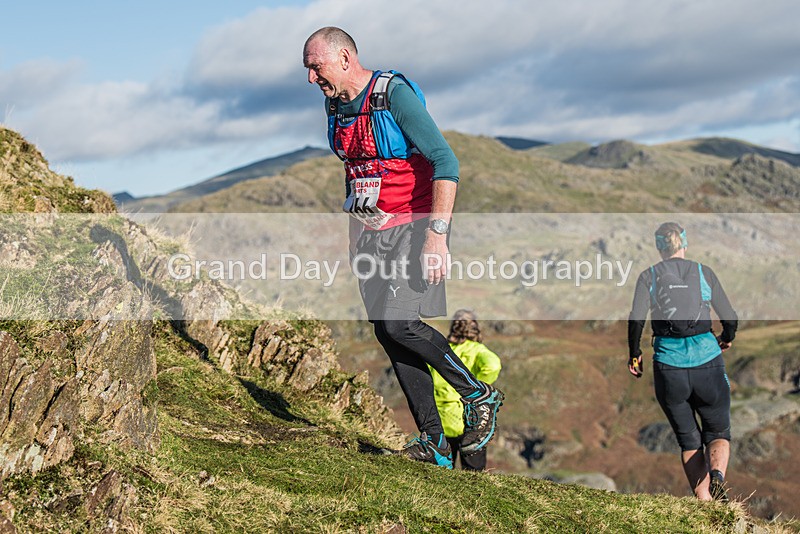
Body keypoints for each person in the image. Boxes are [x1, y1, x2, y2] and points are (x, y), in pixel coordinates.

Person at [303, 27, 503, 468]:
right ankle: (434, 443)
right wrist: (354, 238)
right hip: (370, 235)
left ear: (344, 58)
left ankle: (478, 394)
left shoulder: (393, 94)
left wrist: (437, 236)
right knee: (387, 332)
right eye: (308, 70)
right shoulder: (334, 106)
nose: (311, 78)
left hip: (415, 227)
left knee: (400, 323)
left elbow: (446, 161)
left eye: (316, 68)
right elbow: (355, 171)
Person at [628, 222, 738, 501]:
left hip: (669, 367)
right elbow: (730, 317)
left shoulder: (648, 276)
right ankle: (717, 476)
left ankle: (706, 504)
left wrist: (634, 353)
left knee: (689, 440)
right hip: (708, 363)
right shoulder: (704, 272)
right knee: (718, 431)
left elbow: (636, 319)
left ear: (658, 247)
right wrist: (726, 337)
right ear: (685, 243)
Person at [429, 310, 501, 471]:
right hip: (469, 417)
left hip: (440, 419)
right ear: (475, 328)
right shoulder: (477, 350)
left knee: (440, 470)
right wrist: (479, 390)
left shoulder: (441, 350)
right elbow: (493, 366)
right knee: (474, 472)